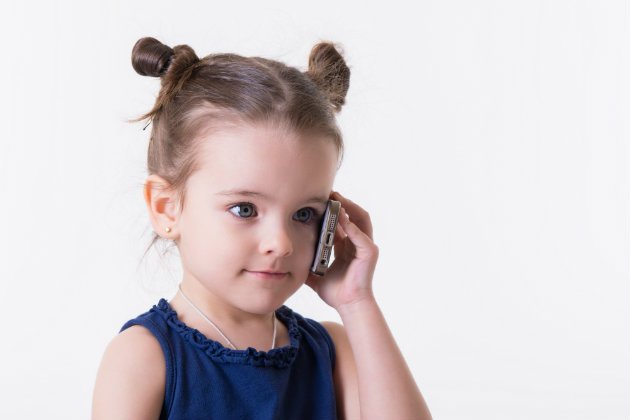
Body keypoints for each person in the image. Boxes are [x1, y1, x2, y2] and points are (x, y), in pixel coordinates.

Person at [92, 36, 432, 420]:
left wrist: (356, 303)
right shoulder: (144, 358)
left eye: (304, 214)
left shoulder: (334, 352)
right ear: (167, 208)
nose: (281, 243)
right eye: (245, 208)